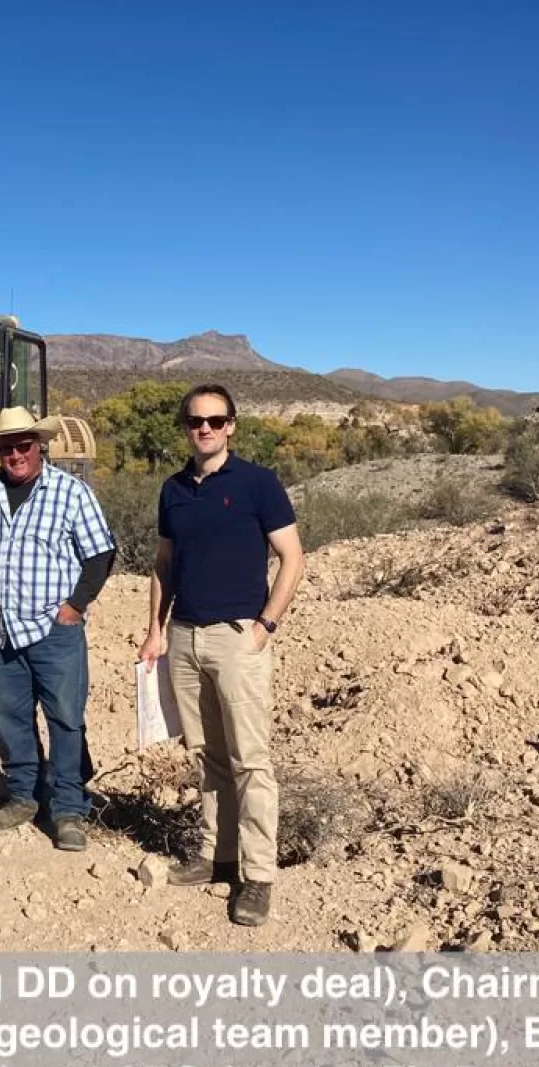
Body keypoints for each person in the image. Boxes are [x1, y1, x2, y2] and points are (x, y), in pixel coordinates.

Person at [137, 384, 305, 926]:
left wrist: (265, 626)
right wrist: (155, 630)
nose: (203, 429)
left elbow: (292, 558)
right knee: (207, 756)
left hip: (239, 637)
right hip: (184, 636)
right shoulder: (174, 489)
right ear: (184, 427)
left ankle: (257, 876)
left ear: (232, 425)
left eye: (214, 420)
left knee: (250, 760)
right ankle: (216, 855)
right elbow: (164, 563)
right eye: (194, 421)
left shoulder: (258, 484)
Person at [0, 407, 116, 852]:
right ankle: (24, 796)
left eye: (24, 445)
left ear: (39, 446)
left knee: (64, 719)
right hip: (2, 630)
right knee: (11, 718)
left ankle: (67, 810)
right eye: (7, 447)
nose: (16, 454)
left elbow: (100, 554)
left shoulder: (71, 493)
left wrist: (74, 606)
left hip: (54, 631)